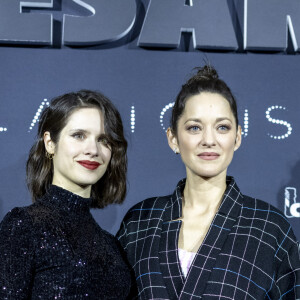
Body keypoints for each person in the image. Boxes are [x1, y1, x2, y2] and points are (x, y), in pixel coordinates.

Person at [117, 66, 300, 299]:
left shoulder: (269, 228)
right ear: (172, 138)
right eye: (195, 128)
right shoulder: (140, 221)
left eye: (222, 127)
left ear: (237, 137)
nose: (209, 140)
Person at [0, 90, 131, 299]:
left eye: (103, 139)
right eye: (79, 135)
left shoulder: (112, 245)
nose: (92, 149)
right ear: (50, 143)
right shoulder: (24, 226)